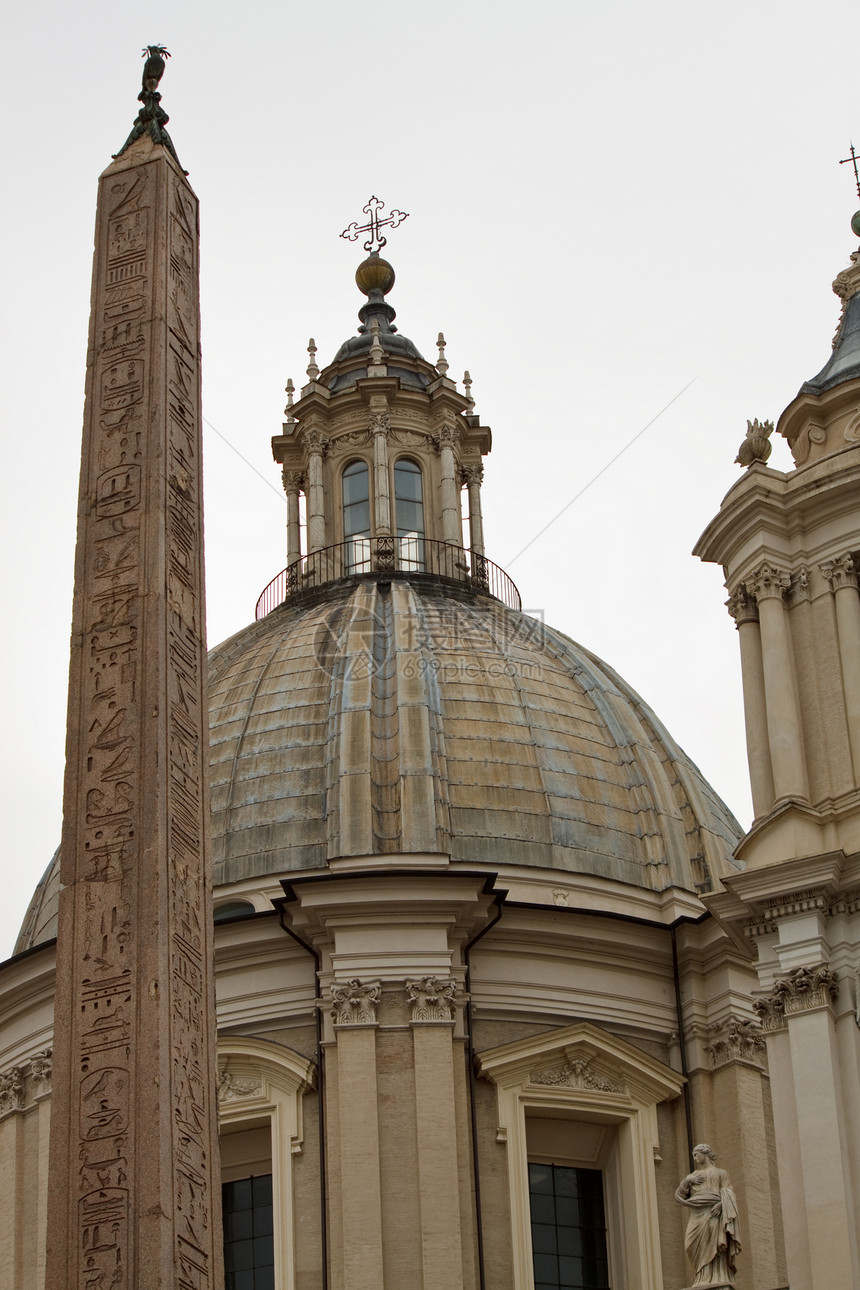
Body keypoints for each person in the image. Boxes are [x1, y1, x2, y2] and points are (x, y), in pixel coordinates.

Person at [675, 1144, 742, 1288]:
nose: (694, 1158)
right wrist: (687, 1182)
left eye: (696, 1154)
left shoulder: (721, 1173)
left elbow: (729, 1192)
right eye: (693, 1155)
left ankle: (716, 1277)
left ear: (705, 1153)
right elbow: (679, 1196)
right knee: (690, 1244)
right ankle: (700, 1277)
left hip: (713, 1213)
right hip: (696, 1214)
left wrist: (720, 1205)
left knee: (715, 1244)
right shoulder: (692, 1176)